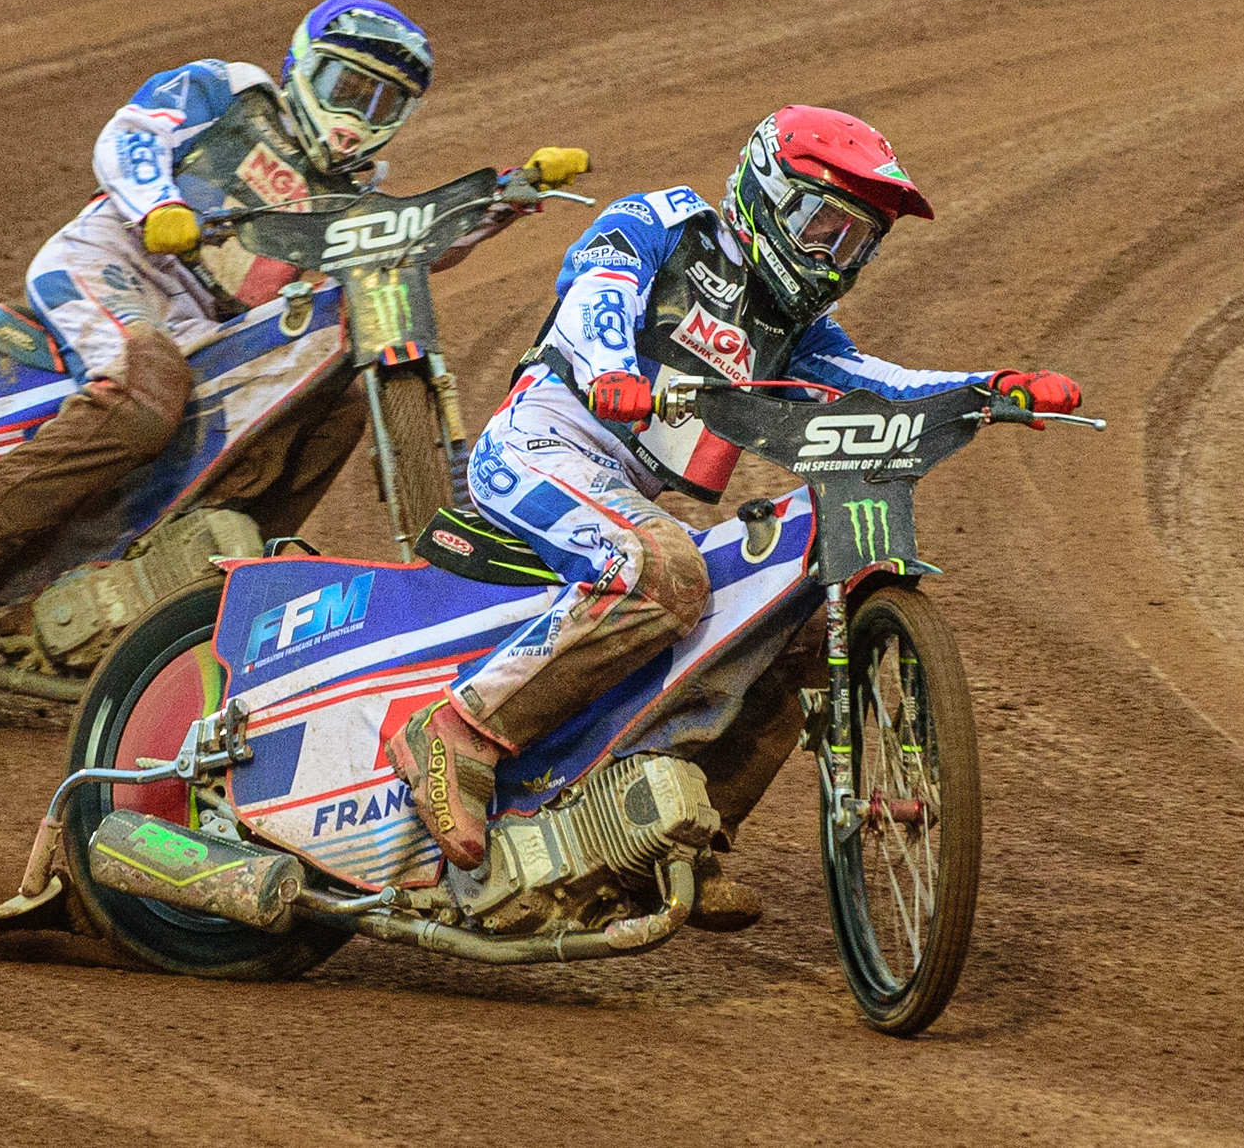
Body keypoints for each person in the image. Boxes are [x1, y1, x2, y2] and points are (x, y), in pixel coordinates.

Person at [386, 105, 1082, 885]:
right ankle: (456, 731)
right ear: (769, 194)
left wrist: (987, 389)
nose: (837, 256)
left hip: (618, 487)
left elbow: (875, 383)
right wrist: (613, 371)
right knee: (664, 570)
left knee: (801, 617)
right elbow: (598, 290)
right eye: (826, 226)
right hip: (542, 443)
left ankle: (684, 836)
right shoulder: (666, 224)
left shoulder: (798, 329)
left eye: (858, 241)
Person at [0, 0, 590, 656]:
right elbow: (130, 136)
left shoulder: (353, 192)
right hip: (114, 263)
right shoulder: (229, 92)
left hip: (203, 322)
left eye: (383, 101)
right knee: (149, 388)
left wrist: (507, 196)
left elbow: (409, 244)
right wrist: (157, 206)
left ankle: (192, 581)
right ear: (303, 68)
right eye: (347, 85)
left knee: (335, 403)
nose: (359, 112)